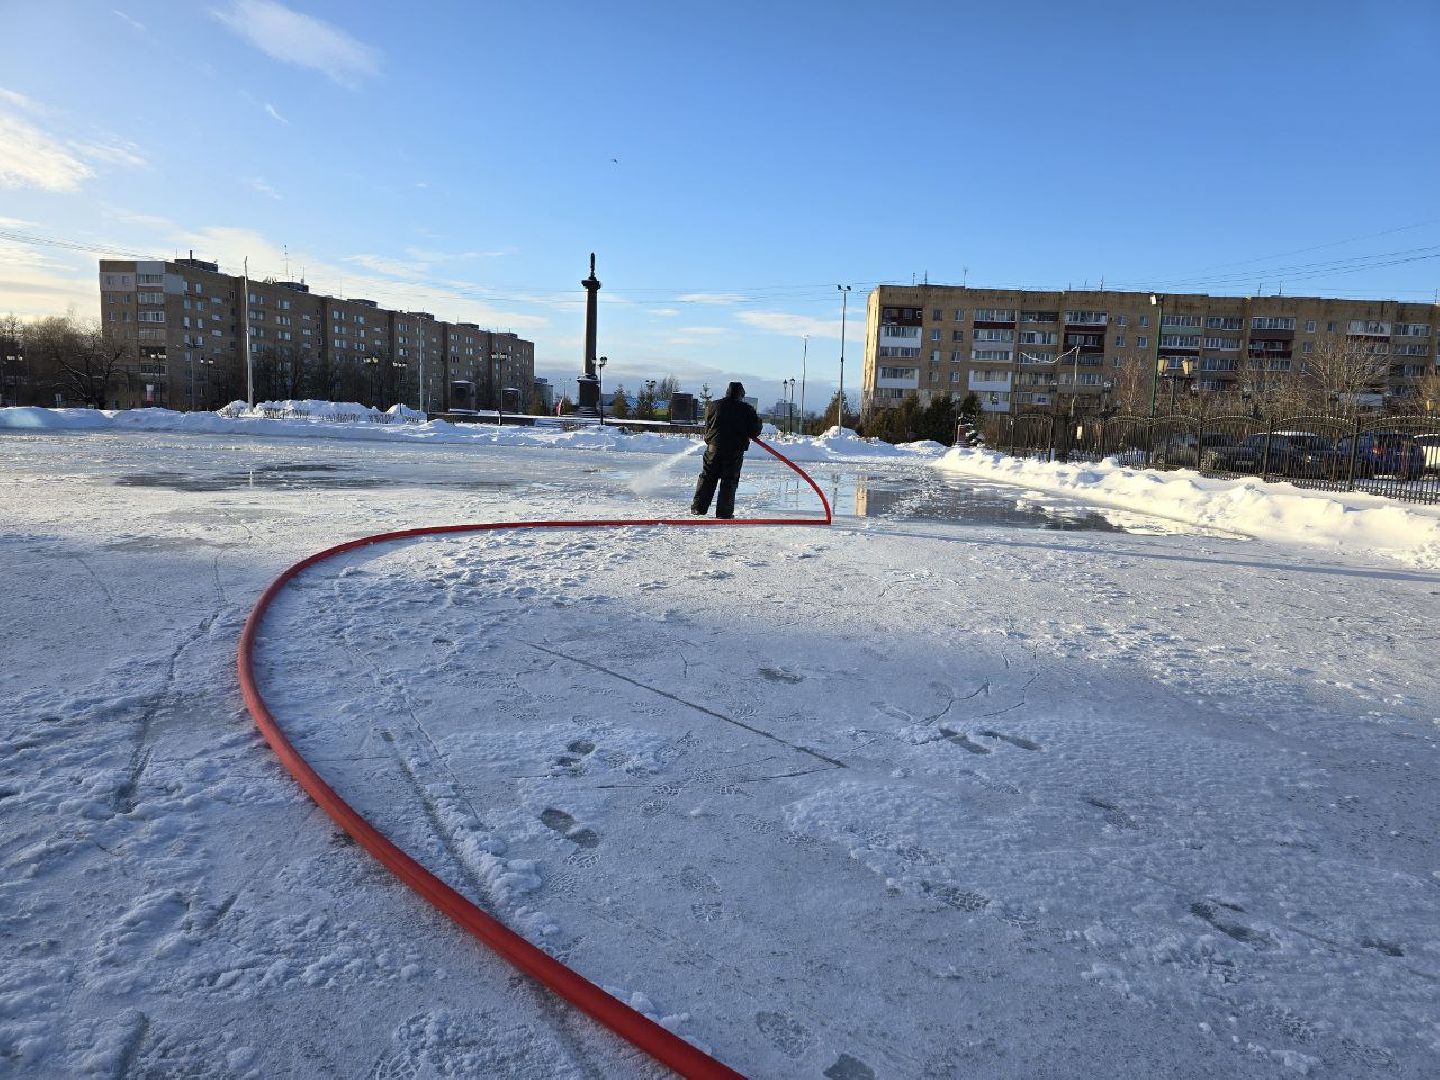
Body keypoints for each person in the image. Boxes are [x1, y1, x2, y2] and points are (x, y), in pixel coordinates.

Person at [691, 381, 762, 519]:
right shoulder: (746, 409)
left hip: (713, 449)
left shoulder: (712, 406)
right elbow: (755, 431)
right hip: (734, 451)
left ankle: (698, 508)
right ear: (741, 394)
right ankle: (724, 513)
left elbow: (707, 425)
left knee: (707, 477)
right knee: (729, 481)